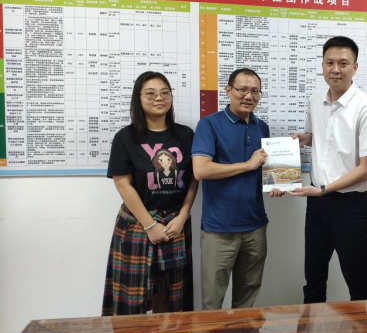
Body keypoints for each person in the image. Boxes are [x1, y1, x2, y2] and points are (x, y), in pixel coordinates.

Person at [287, 36, 367, 304]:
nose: (335, 69)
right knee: (313, 278)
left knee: (357, 281)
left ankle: (361, 327)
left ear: (355, 67)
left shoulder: (366, 107)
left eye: (343, 63)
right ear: (322, 65)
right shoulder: (315, 100)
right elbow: (323, 137)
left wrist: (322, 189)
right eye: (329, 63)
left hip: (350, 207)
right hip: (317, 206)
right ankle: (311, 326)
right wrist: (307, 138)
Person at [103, 71, 198, 316]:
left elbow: (193, 179)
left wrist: (183, 216)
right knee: (132, 298)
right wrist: (149, 225)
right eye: (151, 93)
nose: (159, 98)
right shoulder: (125, 137)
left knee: (171, 298)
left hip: (175, 224)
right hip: (137, 224)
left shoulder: (186, 135)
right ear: (138, 98)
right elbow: (123, 184)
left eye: (165, 93)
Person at [192, 68, 282, 310]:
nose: (249, 96)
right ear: (228, 90)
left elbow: (263, 170)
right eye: (242, 90)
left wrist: (276, 184)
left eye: (255, 91)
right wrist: (247, 165)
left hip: (255, 227)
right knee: (212, 303)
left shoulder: (262, 127)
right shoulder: (209, 124)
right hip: (219, 228)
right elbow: (200, 170)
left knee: (247, 302)